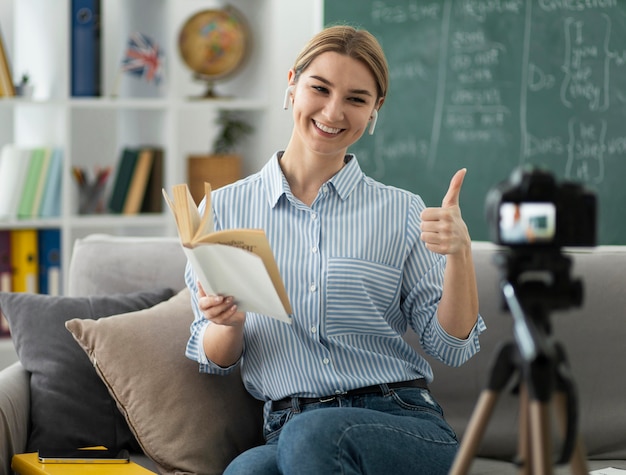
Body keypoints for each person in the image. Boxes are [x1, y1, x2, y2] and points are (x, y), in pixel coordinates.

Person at [185, 25, 486, 475]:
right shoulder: (222, 210)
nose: (333, 111)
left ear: (374, 110)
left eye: (356, 99)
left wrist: (460, 255)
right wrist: (225, 323)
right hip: (289, 425)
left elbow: (452, 347)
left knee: (315, 436)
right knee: (245, 472)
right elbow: (214, 359)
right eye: (320, 89)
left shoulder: (401, 210)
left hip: (397, 420)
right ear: (292, 83)